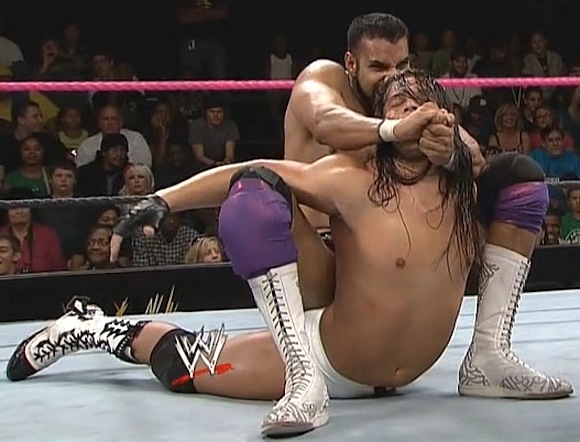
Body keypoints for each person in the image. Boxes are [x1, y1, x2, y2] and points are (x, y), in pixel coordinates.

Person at [6, 69, 572, 439]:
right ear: (384, 122)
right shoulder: (351, 178)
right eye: (397, 103)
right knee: (183, 358)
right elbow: (249, 171)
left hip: (409, 368)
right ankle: (88, 327)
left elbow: (487, 163)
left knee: (523, 179)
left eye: (421, 100)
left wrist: (455, 146)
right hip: (330, 359)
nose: (410, 108)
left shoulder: (466, 182)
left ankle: (489, 357)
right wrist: (164, 199)